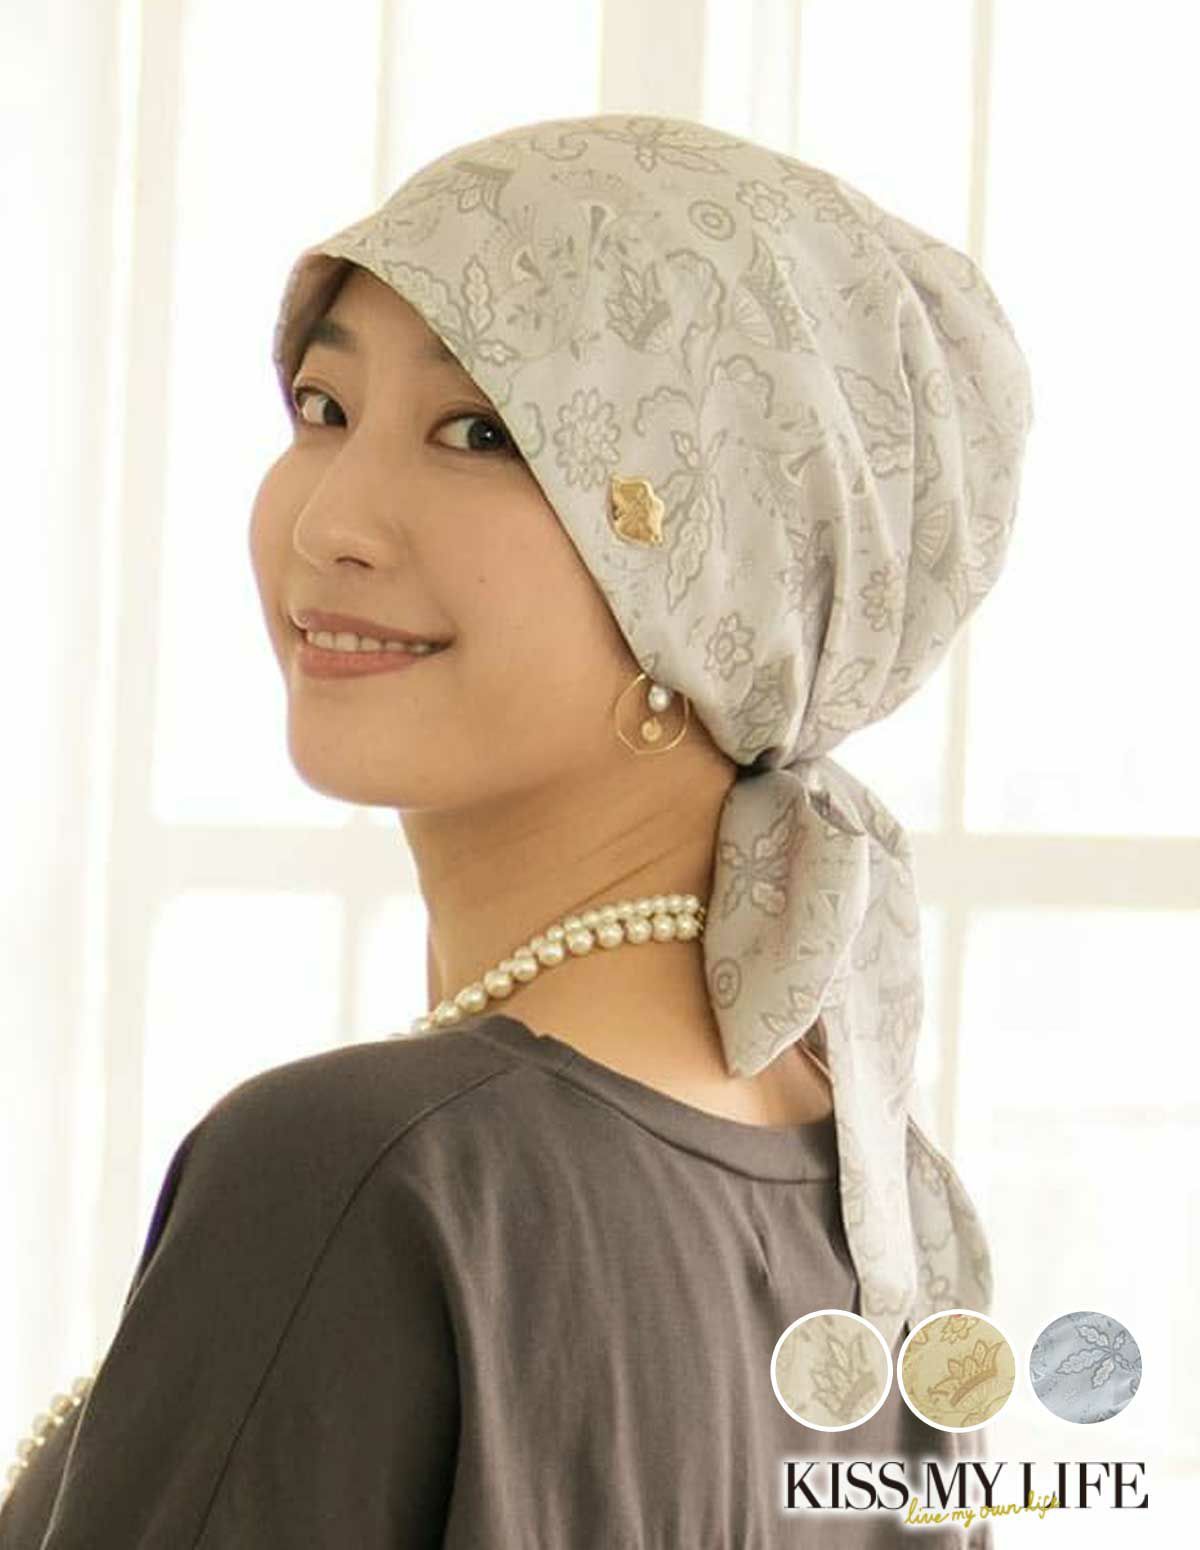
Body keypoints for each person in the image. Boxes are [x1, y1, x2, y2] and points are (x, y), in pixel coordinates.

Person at [1, 112, 1031, 1546]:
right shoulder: (871, 1217)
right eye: (324, 407)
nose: (329, 521)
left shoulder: (369, 1173)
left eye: (481, 432)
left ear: (715, 570)